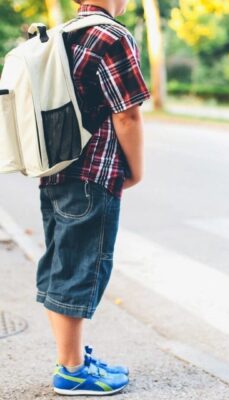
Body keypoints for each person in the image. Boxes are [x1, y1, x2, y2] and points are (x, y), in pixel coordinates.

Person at [36, 0, 151, 395]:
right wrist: (134, 170)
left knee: (62, 266)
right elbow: (127, 115)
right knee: (80, 271)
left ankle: (73, 360)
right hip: (93, 174)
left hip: (54, 172)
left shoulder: (60, 35)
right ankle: (70, 370)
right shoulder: (113, 36)